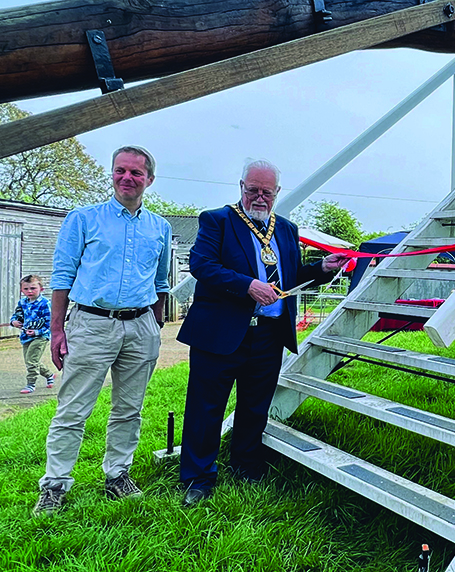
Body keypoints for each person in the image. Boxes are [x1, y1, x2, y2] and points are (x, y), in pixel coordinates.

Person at [177, 159, 349, 506]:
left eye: (265, 192)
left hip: (269, 334)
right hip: (220, 334)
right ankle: (198, 478)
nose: (258, 197)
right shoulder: (217, 220)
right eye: (252, 190)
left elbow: (290, 276)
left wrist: (320, 268)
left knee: (255, 407)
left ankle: (246, 466)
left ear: (277, 193)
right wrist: (248, 286)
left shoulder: (286, 228)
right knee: (205, 408)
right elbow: (202, 266)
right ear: (241, 187)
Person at [35, 145, 172, 515]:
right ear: (111, 174)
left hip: (141, 326)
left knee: (129, 408)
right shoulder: (83, 219)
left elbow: (161, 282)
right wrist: (58, 329)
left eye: (136, 173)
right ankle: (55, 485)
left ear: (150, 179)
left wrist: (154, 323)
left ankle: (117, 475)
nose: (127, 178)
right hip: (92, 324)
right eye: (120, 170)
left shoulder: (160, 227)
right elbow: (62, 276)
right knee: (73, 409)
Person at [9, 275, 57, 394]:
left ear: (41, 289)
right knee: (31, 361)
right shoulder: (22, 302)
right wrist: (13, 321)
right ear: (21, 290)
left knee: (31, 361)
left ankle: (31, 384)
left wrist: (37, 332)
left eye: (33, 288)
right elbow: (18, 315)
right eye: (26, 289)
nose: (29, 291)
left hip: (41, 337)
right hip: (26, 336)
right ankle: (49, 375)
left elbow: (50, 322)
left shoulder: (45, 304)